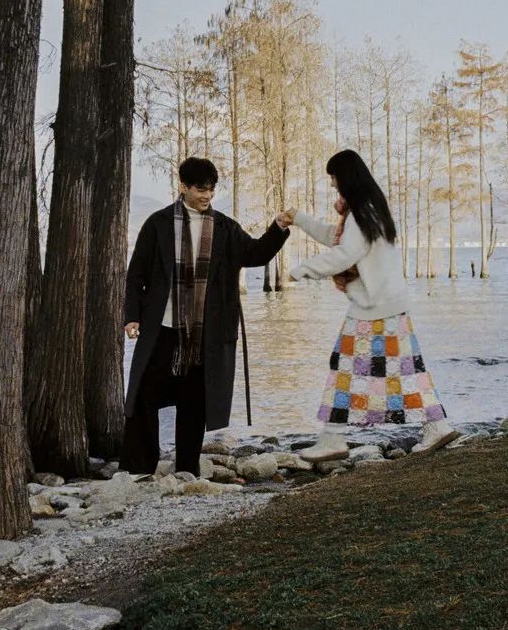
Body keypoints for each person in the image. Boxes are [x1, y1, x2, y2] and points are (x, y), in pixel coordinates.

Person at [279, 148, 457, 455]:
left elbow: (345, 253)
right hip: (388, 305)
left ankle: (334, 439)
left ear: (346, 177)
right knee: (406, 371)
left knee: (346, 369)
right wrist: (299, 218)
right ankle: (436, 426)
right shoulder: (368, 208)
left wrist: (300, 271)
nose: (332, 184)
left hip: (374, 309)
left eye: (334, 177)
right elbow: (336, 237)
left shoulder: (361, 212)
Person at [119, 156, 290, 476]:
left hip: (204, 333)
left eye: (211, 189)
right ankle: (139, 470)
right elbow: (136, 273)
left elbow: (255, 253)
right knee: (143, 396)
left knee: (194, 403)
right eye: (200, 189)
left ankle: (187, 470)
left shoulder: (224, 227)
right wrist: (132, 316)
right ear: (183, 186)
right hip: (162, 328)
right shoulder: (157, 224)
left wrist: (278, 228)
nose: (207, 196)